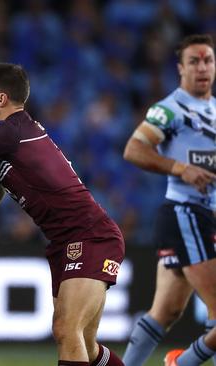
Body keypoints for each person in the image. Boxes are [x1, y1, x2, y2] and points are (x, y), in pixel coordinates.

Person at [0, 62, 125, 366]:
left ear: (1, 99)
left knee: (68, 330)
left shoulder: (8, 129)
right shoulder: (9, 139)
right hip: (65, 241)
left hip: (90, 236)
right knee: (85, 346)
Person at [122, 34, 216, 366]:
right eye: (194, 61)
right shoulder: (170, 109)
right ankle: (183, 363)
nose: (202, 67)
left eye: (208, 60)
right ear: (181, 69)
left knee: (166, 310)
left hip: (205, 217)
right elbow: (134, 149)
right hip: (186, 213)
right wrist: (179, 167)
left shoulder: (214, 110)